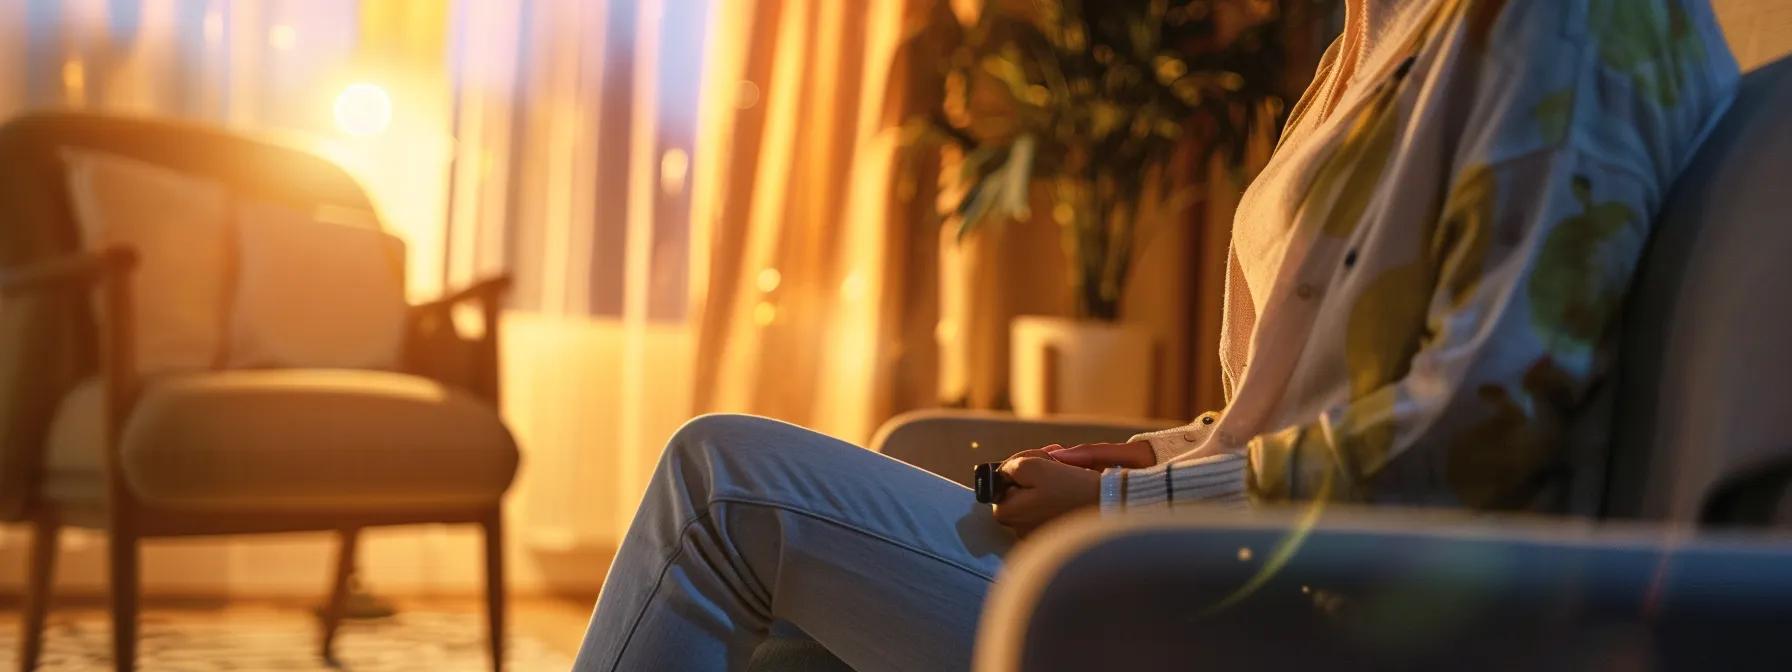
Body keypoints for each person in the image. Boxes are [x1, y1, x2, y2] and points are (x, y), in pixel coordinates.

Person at [573, 0, 1740, 669]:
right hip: (1246, 564)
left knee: (720, 485)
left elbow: (1480, 426)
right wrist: (1159, 455)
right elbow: (1312, 403)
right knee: (790, 653)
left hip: (1338, 609)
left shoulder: (1560, 21)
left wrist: (1141, 510)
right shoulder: (1372, 40)